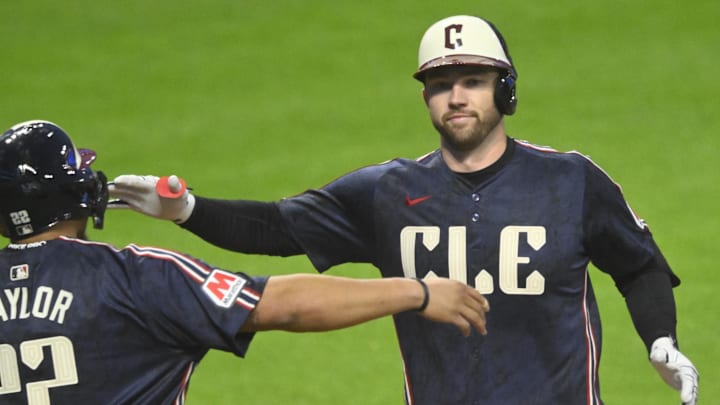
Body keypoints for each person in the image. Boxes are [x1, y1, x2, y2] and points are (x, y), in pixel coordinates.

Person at [109, 15, 699, 405]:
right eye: (442, 85)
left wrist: (660, 339)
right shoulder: (387, 193)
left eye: (473, 80)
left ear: (505, 91)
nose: (457, 96)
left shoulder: (571, 180)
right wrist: (184, 207)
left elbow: (638, 264)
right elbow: (275, 227)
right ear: (426, 98)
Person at [0, 120, 490, 404]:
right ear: (77, 190)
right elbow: (283, 304)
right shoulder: (135, 277)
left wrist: (188, 208)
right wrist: (418, 291)